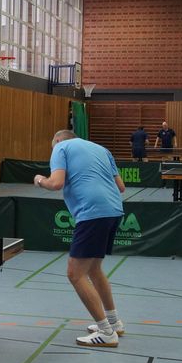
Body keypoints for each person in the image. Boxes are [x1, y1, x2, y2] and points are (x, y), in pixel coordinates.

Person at [33, 130, 126, 347]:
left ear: (57, 139)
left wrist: (40, 180)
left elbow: (56, 183)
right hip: (114, 211)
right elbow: (121, 187)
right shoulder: (102, 149)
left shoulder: (61, 147)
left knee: (75, 274)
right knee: (94, 270)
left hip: (92, 213)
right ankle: (114, 323)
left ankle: (106, 332)